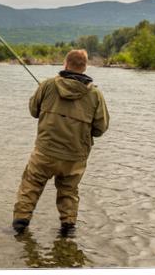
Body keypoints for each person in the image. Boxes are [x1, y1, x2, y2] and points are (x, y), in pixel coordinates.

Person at [12, 49, 109, 235]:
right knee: (68, 191)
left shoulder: (47, 85)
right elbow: (100, 129)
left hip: (45, 153)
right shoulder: (95, 95)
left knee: (30, 185)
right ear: (85, 67)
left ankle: (20, 226)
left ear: (65, 64)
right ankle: (68, 228)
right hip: (74, 157)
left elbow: (33, 111)